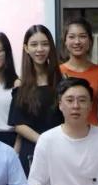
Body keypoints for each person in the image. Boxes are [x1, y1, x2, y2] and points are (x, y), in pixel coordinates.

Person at [8, 25, 63, 174]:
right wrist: (44, 141)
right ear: (26, 48)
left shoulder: (62, 79)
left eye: (44, 44)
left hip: (60, 146)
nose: (40, 49)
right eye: (34, 44)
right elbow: (18, 124)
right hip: (32, 148)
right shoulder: (20, 83)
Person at [59, 18, 98, 128]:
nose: (77, 41)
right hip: (64, 135)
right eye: (72, 37)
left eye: (82, 36)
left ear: (90, 41)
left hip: (94, 133)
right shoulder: (57, 72)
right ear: (65, 41)